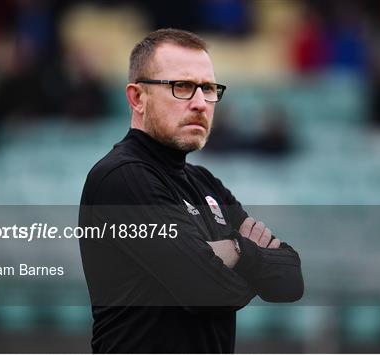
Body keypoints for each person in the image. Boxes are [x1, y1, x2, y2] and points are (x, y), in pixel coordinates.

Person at [79, 28, 303, 353]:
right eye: (181, 86)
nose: (200, 103)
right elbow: (208, 293)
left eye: (209, 88)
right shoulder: (121, 177)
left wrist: (233, 250)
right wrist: (247, 254)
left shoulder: (206, 182)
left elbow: (290, 282)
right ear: (137, 97)